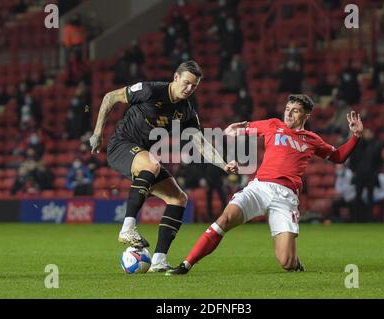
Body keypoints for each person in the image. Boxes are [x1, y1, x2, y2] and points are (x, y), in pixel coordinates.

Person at [166, 94, 364, 275]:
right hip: (259, 187)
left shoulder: (312, 140)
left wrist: (355, 137)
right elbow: (238, 130)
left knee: (286, 262)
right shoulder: (272, 125)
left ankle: (295, 263)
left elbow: (338, 157)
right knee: (225, 219)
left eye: (295, 110)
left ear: (307, 115)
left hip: (286, 197)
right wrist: (231, 133)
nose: (289, 113)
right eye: (287, 108)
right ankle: (186, 264)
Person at [89, 61, 238, 272]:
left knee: (178, 198)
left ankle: (158, 260)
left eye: (193, 86)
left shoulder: (186, 111)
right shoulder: (150, 90)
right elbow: (110, 97)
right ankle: (127, 228)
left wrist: (223, 165)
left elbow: (201, 143)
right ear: (175, 78)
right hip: (121, 146)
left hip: (144, 156)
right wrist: (97, 133)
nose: (189, 89)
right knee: (152, 164)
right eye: (186, 83)